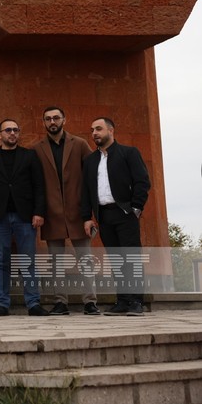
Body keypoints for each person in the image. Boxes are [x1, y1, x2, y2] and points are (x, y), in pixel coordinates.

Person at [32, 106, 99, 316]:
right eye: (48, 119)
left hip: (78, 212)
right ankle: (60, 302)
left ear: (64, 120)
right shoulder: (37, 149)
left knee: (85, 259)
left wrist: (90, 212)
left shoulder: (79, 144)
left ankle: (90, 302)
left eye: (56, 118)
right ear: (43, 122)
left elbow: (92, 174)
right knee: (55, 263)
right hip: (51, 213)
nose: (52, 122)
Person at [0, 119, 49, 317]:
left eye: (15, 130)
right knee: (1, 261)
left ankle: (33, 303)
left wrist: (39, 212)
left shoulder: (30, 156)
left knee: (28, 261)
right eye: (8, 130)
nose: (12, 133)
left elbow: (39, 186)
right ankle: (2, 304)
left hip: (25, 217)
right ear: (0, 134)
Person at [81, 117, 151, 316]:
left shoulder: (128, 153)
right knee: (116, 259)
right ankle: (122, 301)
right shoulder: (90, 161)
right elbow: (85, 191)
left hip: (126, 213)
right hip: (104, 216)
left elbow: (142, 181)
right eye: (92, 129)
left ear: (111, 131)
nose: (94, 133)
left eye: (99, 129)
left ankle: (136, 302)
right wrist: (87, 217)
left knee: (131, 258)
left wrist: (136, 208)